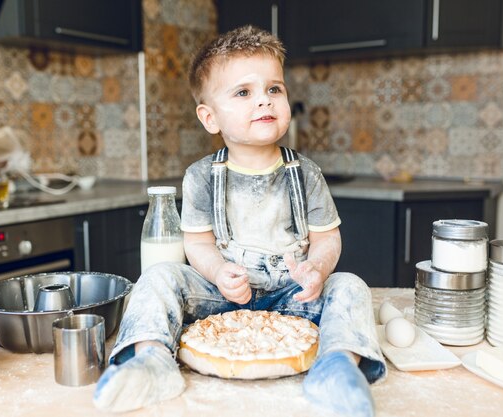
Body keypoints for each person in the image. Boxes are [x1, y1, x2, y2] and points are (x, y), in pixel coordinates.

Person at [93, 25, 386, 416]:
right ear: (209, 117)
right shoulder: (201, 177)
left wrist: (317, 268)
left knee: (350, 286)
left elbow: (328, 240)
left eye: (274, 89)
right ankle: (152, 360)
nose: (264, 101)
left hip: (292, 297)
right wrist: (217, 272)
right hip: (222, 299)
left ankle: (337, 367)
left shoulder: (306, 173)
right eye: (244, 93)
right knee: (159, 276)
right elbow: (197, 245)